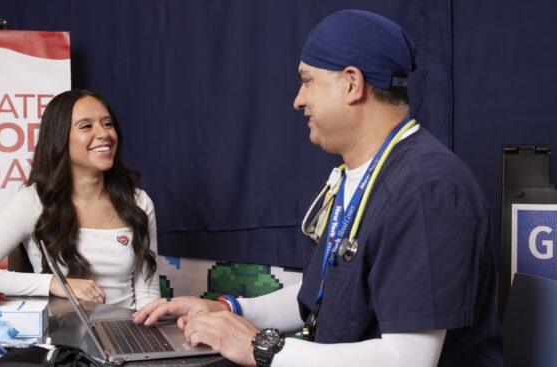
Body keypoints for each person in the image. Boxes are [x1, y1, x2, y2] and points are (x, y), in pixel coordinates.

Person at [132, 10, 503, 366]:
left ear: (352, 84)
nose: (298, 99)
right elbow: (322, 295)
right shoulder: (355, 177)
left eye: (307, 80)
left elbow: (407, 360)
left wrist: (260, 349)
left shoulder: (426, 191)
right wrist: (229, 310)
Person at [0, 89, 160, 309]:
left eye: (107, 123)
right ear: (59, 138)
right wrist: (53, 283)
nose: (103, 133)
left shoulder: (139, 203)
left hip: (125, 334)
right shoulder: (33, 201)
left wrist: (148, 338)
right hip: (65, 336)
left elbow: (148, 292)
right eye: (86, 126)